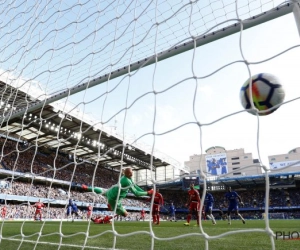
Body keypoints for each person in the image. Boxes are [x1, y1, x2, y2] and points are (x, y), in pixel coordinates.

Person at [82, 167, 153, 217]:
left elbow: (135, 186)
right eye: (130, 173)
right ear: (127, 174)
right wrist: (147, 193)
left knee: (101, 190)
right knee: (126, 214)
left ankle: (87, 188)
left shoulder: (126, 177)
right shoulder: (127, 181)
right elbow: (136, 193)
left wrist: (146, 191)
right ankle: (111, 207)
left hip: (110, 191)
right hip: (115, 199)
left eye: (132, 173)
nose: (132, 175)